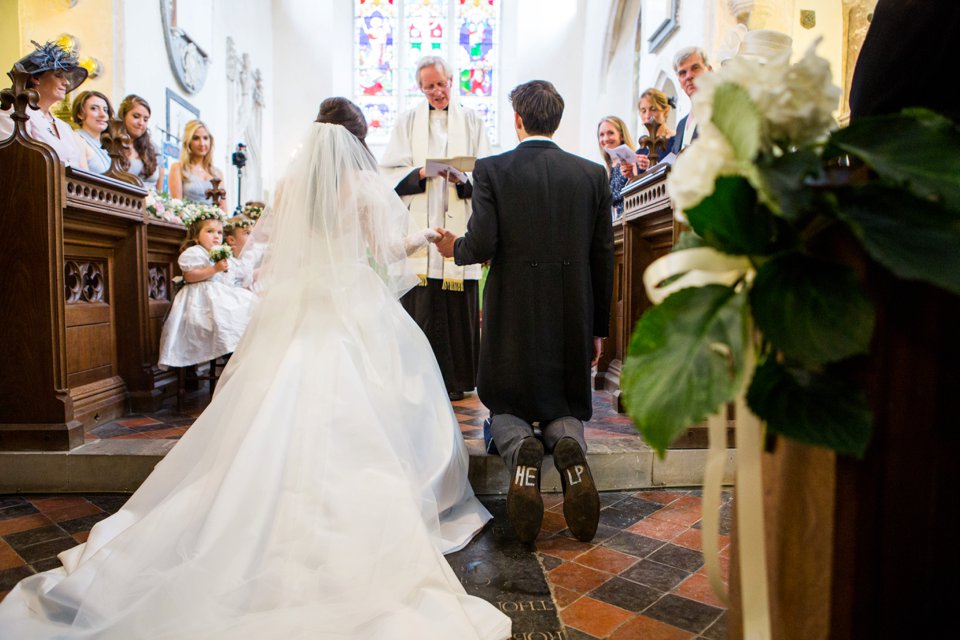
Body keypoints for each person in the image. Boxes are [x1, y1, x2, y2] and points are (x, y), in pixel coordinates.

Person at [0, 97, 511, 640]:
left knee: (277, 399)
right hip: (348, 303)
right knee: (380, 393)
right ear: (355, 140)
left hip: (299, 307)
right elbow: (385, 252)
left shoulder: (293, 186)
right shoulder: (362, 188)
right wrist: (424, 237)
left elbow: (270, 245)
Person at [436, 80, 614, 544]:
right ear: (557, 120)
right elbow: (602, 257)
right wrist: (597, 328)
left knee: (507, 400)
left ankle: (521, 450)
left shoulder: (492, 169)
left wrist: (452, 246)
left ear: (518, 120)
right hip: (572, 306)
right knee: (563, 398)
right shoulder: (592, 174)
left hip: (513, 306)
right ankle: (569, 446)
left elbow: (482, 244)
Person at [380, 55, 491, 401]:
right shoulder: (407, 122)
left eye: (441, 84)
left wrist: (462, 178)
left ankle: (456, 381)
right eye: (429, 86)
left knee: (457, 310)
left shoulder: (472, 121)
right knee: (422, 306)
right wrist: (420, 174)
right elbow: (387, 172)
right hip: (420, 224)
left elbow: (485, 171)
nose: (437, 92)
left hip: (458, 219)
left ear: (452, 81)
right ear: (420, 87)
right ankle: (418, 380)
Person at [157, 208, 256, 369]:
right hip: (199, 299)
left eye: (219, 232)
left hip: (219, 295)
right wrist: (214, 269)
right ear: (196, 237)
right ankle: (231, 356)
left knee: (248, 305)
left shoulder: (222, 254)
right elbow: (190, 276)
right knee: (227, 316)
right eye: (210, 231)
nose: (216, 236)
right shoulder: (195, 253)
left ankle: (237, 355)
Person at [0, 41, 88, 169]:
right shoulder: (12, 114)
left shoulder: (64, 127)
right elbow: (12, 163)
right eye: (59, 76)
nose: (67, 82)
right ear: (36, 78)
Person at [169, 119, 229, 212]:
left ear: (210, 140)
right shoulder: (178, 168)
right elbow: (177, 207)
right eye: (196, 138)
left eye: (205, 138)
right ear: (188, 142)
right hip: (188, 223)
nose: (202, 143)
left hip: (214, 224)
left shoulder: (217, 173)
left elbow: (224, 210)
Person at [622, 88, 677, 179]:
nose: (647, 116)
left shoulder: (676, 140)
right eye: (643, 111)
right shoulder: (641, 151)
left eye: (653, 109)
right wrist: (631, 175)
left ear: (665, 111)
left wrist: (653, 166)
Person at [670, 46, 712, 155]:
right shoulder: (681, 125)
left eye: (695, 68)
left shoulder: (720, 111)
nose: (689, 76)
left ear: (709, 70)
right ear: (679, 80)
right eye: (682, 73)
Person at [118, 94, 163, 190]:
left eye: (145, 119)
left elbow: (159, 189)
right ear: (123, 115)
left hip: (151, 202)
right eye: (136, 116)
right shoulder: (113, 143)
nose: (141, 123)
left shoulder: (153, 148)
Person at [596, 116, 635, 218]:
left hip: (629, 220)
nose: (605, 139)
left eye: (610, 133)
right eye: (602, 135)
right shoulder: (608, 168)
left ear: (621, 136)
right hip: (614, 224)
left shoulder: (630, 161)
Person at [71, 90, 113, 174]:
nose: (103, 115)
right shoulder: (77, 138)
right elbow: (82, 179)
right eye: (94, 108)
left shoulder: (106, 145)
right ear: (80, 114)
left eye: (105, 110)